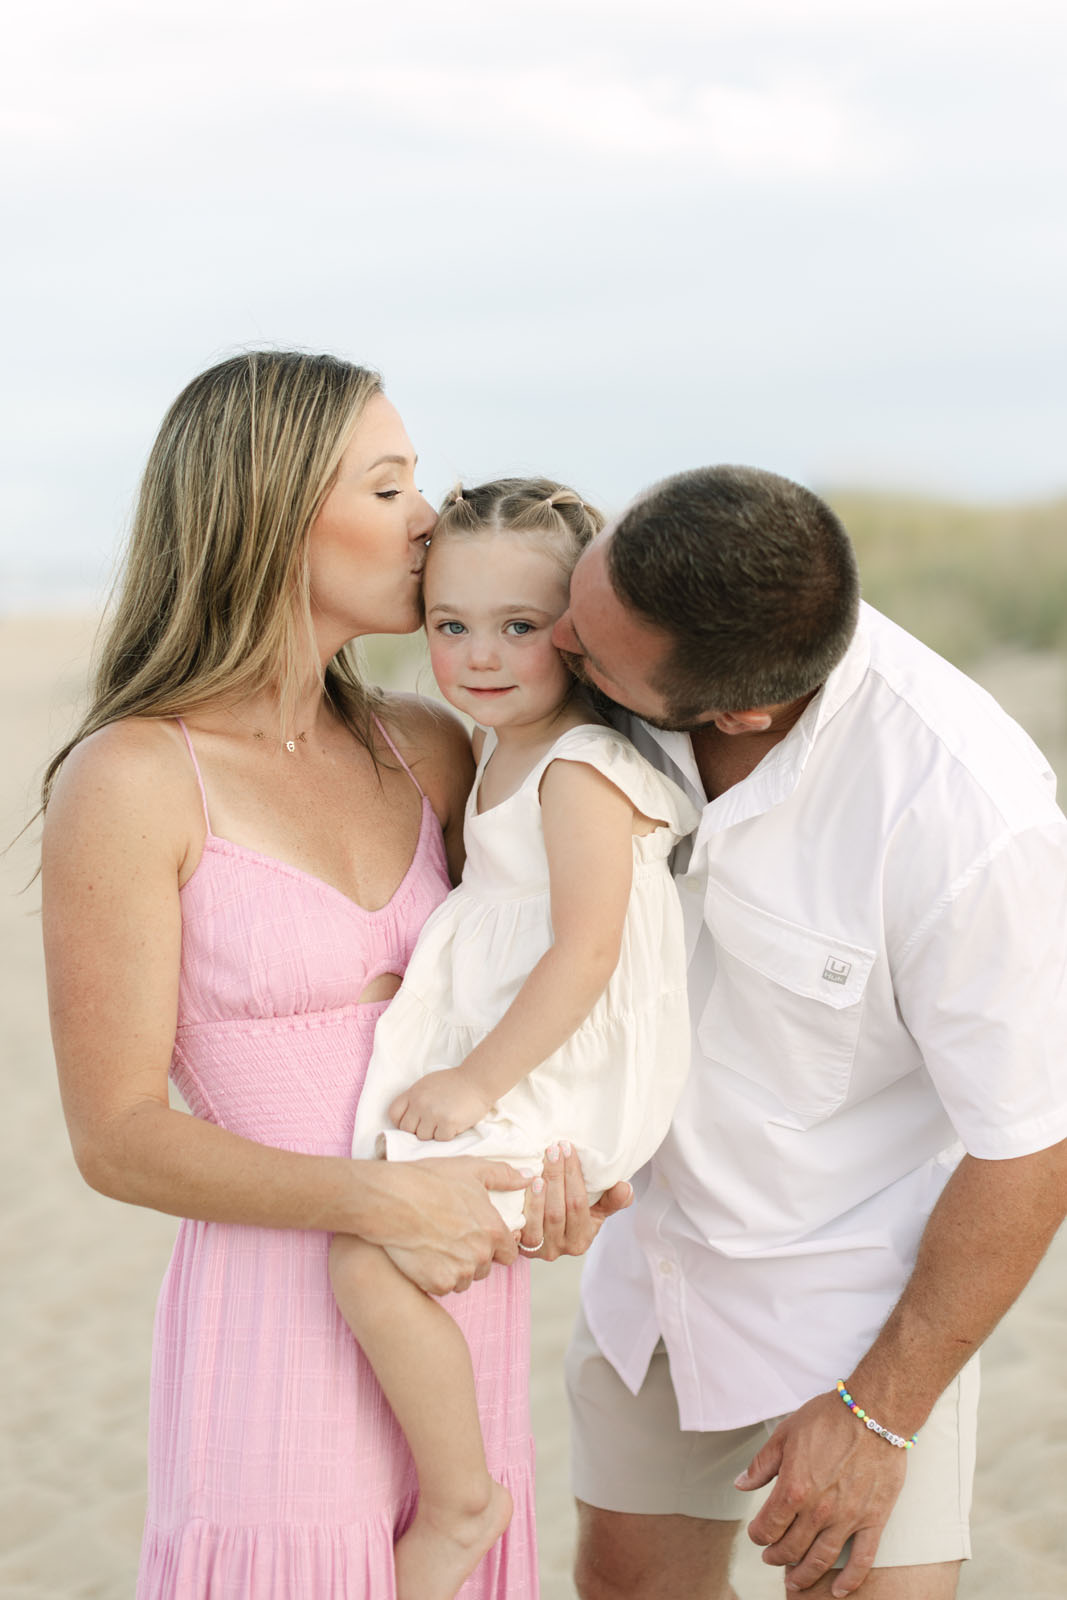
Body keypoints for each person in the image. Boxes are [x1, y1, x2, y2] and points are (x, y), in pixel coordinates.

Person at [39, 352, 626, 1600]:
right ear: (269, 512)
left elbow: (528, 993)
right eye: (386, 484)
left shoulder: (429, 746)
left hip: (451, 1290)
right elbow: (118, 1138)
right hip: (277, 1304)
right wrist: (373, 1202)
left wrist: (562, 1171)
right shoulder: (135, 778)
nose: (427, 518)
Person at [550, 464, 1067, 1600]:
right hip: (653, 1266)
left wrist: (875, 1415)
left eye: (587, 651)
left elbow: (1028, 1145)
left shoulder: (968, 818)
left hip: (862, 1299)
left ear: (736, 711)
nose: (555, 642)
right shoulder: (601, 654)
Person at [329, 477, 699, 1600]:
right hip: (536, 1043)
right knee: (374, 1238)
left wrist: (474, 1073)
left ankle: (459, 1500)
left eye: (519, 627)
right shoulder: (504, 748)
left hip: (567, 1073)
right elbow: (503, 913)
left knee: (363, 1256)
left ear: (579, 636)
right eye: (450, 625)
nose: (478, 655)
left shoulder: (579, 771)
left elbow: (584, 953)